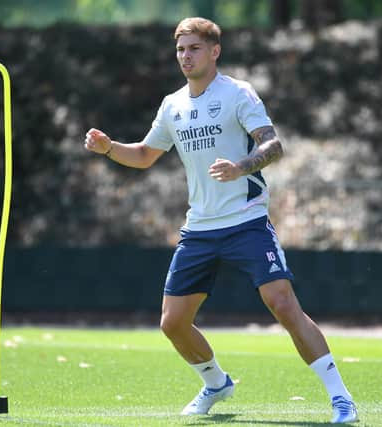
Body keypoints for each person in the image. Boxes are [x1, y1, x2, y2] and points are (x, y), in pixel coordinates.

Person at [83, 17, 358, 424]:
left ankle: (341, 398)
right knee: (173, 324)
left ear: (215, 52)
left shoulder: (237, 94)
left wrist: (241, 167)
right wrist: (109, 149)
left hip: (246, 222)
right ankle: (215, 383)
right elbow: (143, 155)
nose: (185, 56)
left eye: (194, 48)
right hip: (199, 230)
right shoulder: (172, 105)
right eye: (180, 49)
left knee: (282, 303)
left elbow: (273, 144)